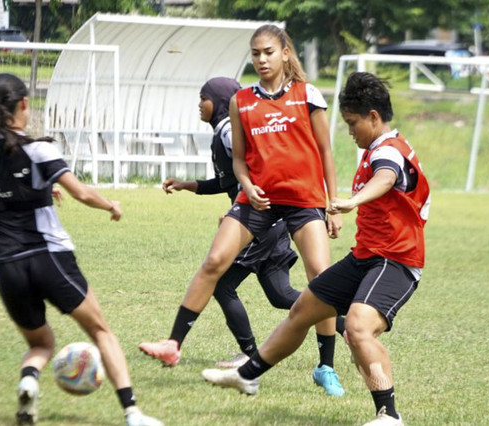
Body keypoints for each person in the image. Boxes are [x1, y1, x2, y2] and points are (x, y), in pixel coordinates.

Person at [202, 71, 431, 426]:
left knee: (357, 328)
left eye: (353, 123)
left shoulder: (389, 151)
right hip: (365, 258)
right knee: (303, 309)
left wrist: (353, 200)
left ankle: (389, 414)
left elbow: (385, 177)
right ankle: (248, 373)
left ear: (373, 117)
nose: (350, 131)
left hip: (395, 261)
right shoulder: (377, 148)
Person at [140, 24, 344, 396]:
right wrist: (248, 186)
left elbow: (326, 152)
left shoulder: (307, 95)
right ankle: (172, 345)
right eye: (255, 53)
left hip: (303, 200)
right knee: (215, 261)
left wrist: (333, 205)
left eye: (268, 52)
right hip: (257, 201)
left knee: (321, 275)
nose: (262, 59)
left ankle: (326, 366)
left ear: (285, 53)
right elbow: (238, 163)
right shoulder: (241, 101)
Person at [0, 73, 163, 426]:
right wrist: (111, 206)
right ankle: (133, 413)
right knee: (101, 331)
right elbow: (82, 193)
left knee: (41, 343)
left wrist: (36, 191)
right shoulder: (39, 148)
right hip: (48, 258)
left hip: (5, 265)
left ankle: (29, 381)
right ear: (25, 104)